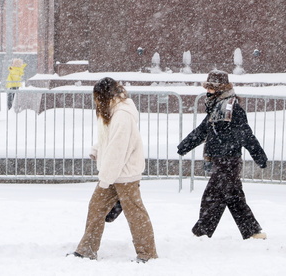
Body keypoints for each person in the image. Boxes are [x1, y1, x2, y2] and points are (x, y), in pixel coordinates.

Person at [71, 77, 157, 262]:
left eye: (96, 97)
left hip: (124, 173)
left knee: (134, 213)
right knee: (97, 208)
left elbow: (118, 150)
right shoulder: (114, 110)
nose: (95, 101)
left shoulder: (122, 115)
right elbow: (109, 139)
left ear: (104, 95)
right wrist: (97, 149)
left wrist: (105, 179)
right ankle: (87, 249)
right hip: (114, 173)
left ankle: (147, 253)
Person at [176, 70, 268, 241]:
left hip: (229, 160)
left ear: (220, 89)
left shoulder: (233, 109)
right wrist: (184, 146)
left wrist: (259, 156)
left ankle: (202, 231)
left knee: (212, 197)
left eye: (211, 89)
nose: (207, 92)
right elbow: (203, 130)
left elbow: (246, 135)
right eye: (207, 88)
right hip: (221, 160)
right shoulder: (217, 108)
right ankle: (252, 231)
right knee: (234, 198)